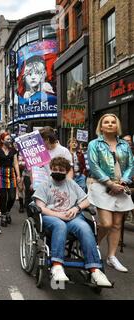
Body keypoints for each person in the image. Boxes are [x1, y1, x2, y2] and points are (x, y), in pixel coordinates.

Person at [32, 157, 112, 286]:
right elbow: (40, 207)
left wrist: (77, 208)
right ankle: (57, 266)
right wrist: (59, 215)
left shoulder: (71, 183)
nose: (58, 171)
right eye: (55, 169)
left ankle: (95, 269)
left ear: (67, 171)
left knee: (84, 228)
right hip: (52, 217)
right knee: (60, 225)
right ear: (51, 169)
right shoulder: (45, 184)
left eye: (61, 170)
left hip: (72, 216)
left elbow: (86, 200)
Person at [88, 114, 134, 273]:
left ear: (117, 126)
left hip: (121, 187)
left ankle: (112, 256)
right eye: (106, 122)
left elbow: (130, 165)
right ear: (101, 127)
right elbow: (94, 166)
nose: (109, 124)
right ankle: (92, 245)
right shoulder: (94, 144)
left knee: (116, 225)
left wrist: (123, 182)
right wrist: (109, 183)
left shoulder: (124, 145)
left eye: (113, 122)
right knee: (106, 223)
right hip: (102, 186)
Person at [0, 132, 20, 223]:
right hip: (1, 173)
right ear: (2, 140)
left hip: (11, 173)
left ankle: (7, 211)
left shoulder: (13, 150)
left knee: (12, 196)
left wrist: (18, 175)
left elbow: (16, 163)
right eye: (7, 139)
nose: (9, 140)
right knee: (3, 196)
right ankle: (4, 215)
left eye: (10, 139)